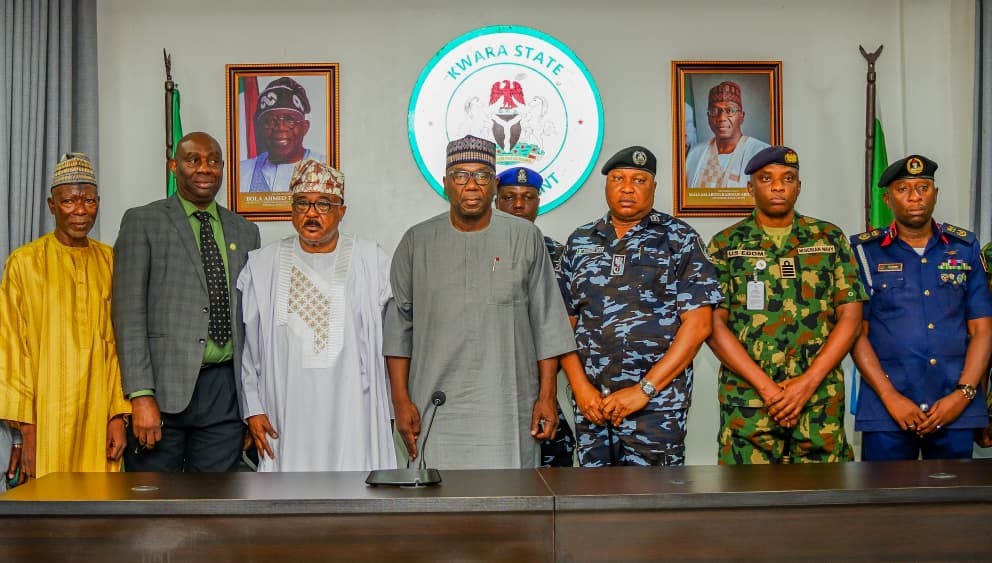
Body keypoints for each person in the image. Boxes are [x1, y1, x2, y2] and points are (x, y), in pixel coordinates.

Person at [384, 135, 575, 470]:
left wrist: (546, 397)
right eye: (460, 175)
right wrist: (400, 402)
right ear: (445, 184)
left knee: (509, 509)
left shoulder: (525, 237)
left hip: (508, 406)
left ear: (493, 185)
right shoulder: (417, 241)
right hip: (435, 406)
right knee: (438, 511)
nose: (471, 185)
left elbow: (547, 322)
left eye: (482, 175)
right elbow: (399, 328)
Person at [560, 146, 723, 466]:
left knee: (655, 505)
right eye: (618, 178)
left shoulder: (679, 238)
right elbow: (562, 324)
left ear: (654, 187)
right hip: (593, 407)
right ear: (607, 184)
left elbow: (699, 325)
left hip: (656, 409)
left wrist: (644, 390)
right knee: (594, 505)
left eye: (639, 180)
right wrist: (580, 389)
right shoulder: (580, 242)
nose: (627, 187)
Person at [706, 146, 866, 464]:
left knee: (825, 500)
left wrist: (806, 384)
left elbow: (851, 316)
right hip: (749, 404)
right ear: (750, 187)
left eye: (787, 178)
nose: (778, 186)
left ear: (798, 186)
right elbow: (713, 326)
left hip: (819, 402)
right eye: (767, 178)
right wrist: (767, 389)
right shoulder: (726, 244)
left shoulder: (829, 238)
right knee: (747, 502)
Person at [113, 132, 261, 472]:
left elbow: (251, 320)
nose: (204, 169)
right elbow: (127, 314)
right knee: (154, 507)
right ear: (174, 166)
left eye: (213, 161)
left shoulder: (245, 231)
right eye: (193, 160)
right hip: (162, 391)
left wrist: (251, 404)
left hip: (224, 393)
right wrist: (140, 395)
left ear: (223, 168)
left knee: (216, 507)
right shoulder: (143, 222)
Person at [238, 159, 396, 471]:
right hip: (286, 412)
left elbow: (393, 341)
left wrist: (391, 408)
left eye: (324, 204)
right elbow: (249, 348)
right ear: (291, 210)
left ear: (342, 211)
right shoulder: (262, 266)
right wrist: (253, 408)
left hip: (355, 410)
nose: (312, 213)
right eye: (303, 204)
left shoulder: (372, 260)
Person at [851, 154, 992, 461]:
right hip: (887, 408)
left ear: (935, 194)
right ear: (887, 199)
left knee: (952, 504)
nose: (915, 196)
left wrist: (963, 394)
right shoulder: (864, 252)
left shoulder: (965, 248)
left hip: (954, 406)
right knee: (886, 503)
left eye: (923, 187)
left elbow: (982, 329)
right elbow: (855, 333)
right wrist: (890, 397)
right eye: (903, 189)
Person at [0, 153, 130, 482]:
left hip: (98, 413)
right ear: (51, 205)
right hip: (45, 420)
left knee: (98, 509)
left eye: (88, 200)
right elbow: (11, 351)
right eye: (69, 200)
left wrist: (118, 415)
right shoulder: (24, 263)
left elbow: (120, 345)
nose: (80, 210)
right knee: (47, 515)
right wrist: (25, 434)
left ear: (98, 202)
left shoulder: (111, 261)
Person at [494, 166, 575, 467]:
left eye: (527, 197)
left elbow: (562, 325)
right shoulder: (478, 250)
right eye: (509, 197)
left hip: (541, 383)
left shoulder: (558, 255)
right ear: (495, 201)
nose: (518, 205)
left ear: (538, 202)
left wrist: (542, 387)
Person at [239, 77, 326, 192]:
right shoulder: (241, 171)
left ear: (304, 127)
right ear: (260, 129)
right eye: (270, 121)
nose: (280, 127)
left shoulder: (327, 167)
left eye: (289, 120)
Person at [685, 81, 769, 188]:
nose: (721, 118)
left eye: (730, 110)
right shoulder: (695, 153)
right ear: (708, 116)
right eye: (714, 110)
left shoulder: (761, 153)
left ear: (741, 116)